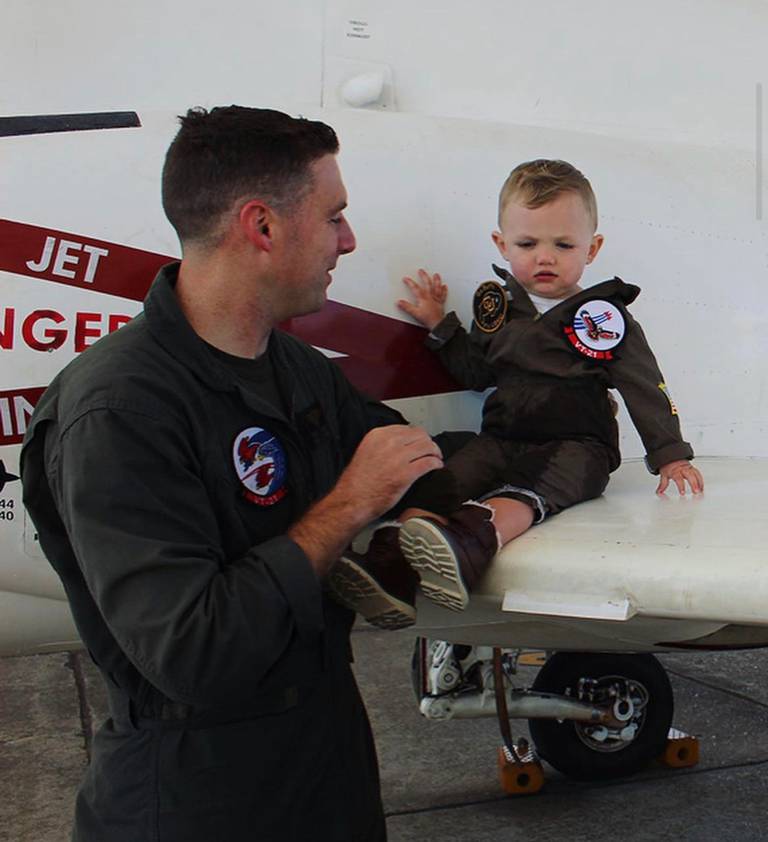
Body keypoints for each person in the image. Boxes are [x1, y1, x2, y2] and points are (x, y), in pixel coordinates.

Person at [20, 105, 443, 842]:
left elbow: (396, 452)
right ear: (263, 226)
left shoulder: (297, 372)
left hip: (325, 776)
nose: (349, 240)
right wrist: (347, 507)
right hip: (196, 800)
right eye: (334, 216)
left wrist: (516, 482)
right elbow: (195, 649)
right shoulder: (118, 412)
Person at [328, 158, 703, 626]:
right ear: (501, 244)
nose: (545, 257)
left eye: (563, 244)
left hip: (576, 447)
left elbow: (644, 386)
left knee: (528, 490)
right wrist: (441, 326)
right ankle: (391, 563)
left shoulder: (603, 318)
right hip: (502, 437)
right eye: (527, 244)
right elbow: (476, 373)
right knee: (452, 473)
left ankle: (470, 542)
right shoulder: (500, 309)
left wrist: (669, 454)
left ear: (592, 248)